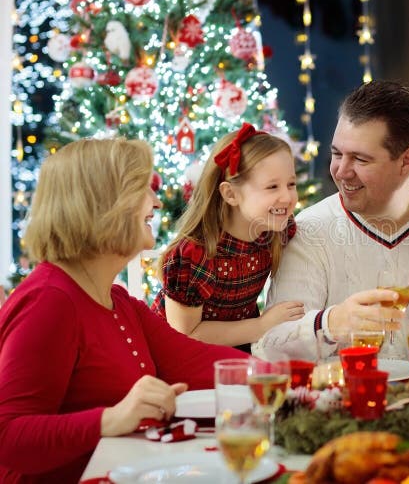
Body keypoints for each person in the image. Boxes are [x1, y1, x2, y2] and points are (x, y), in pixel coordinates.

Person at [0, 139, 246, 483]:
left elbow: (201, 362)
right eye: (144, 189)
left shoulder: (117, 300)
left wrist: (290, 377)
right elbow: (9, 437)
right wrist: (111, 419)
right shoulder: (50, 302)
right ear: (104, 202)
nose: (157, 202)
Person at [253, 80, 409, 360]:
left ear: (407, 161)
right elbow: (269, 347)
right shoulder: (310, 229)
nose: (341, 171)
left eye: (360, 159)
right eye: (337, 154)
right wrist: (330, 324)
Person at [151, 123, 305, 352]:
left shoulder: (276, 231)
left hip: (236, 350)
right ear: (231, 194)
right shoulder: (196, 255)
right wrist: (262, 325)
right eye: (272, 187)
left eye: (291, 184)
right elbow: (185, 334)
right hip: (178, 356)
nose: (287, 196)